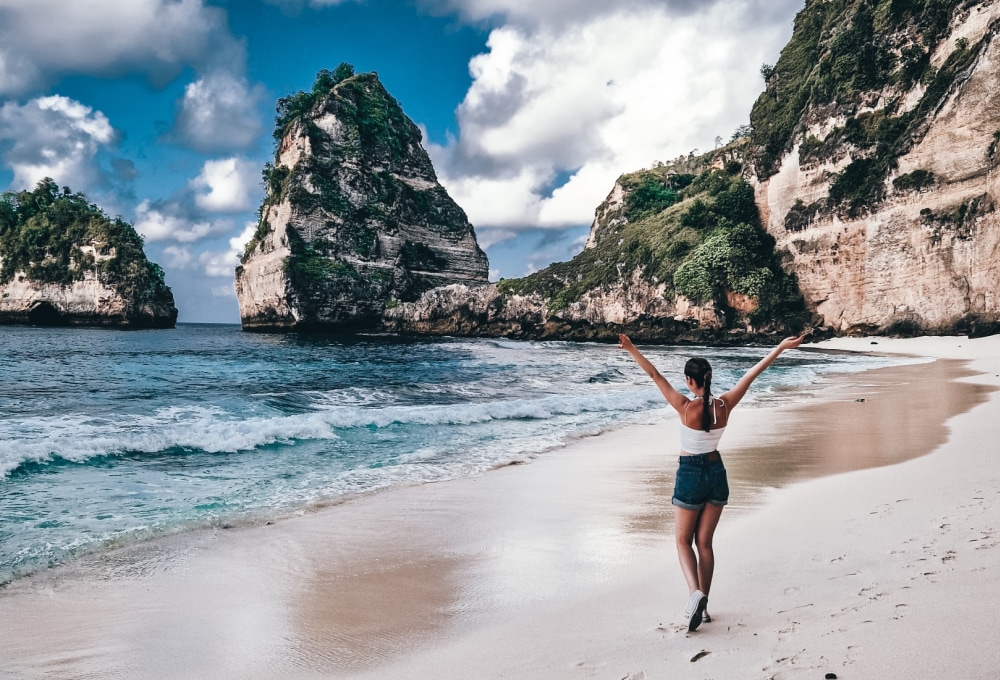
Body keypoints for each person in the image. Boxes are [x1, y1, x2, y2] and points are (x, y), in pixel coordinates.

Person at [618, 332, 808, 632]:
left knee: (682, 541)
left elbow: (654, 374)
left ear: (691, 381)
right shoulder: (725, 405)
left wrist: (631, 348)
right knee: (704, 542)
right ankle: (704, 605)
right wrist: (782, 347)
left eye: (687, 380)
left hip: (690, 475)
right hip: (717, 473)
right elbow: (753, 373)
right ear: (709, 378)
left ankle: (695, 594)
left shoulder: (684, 407)